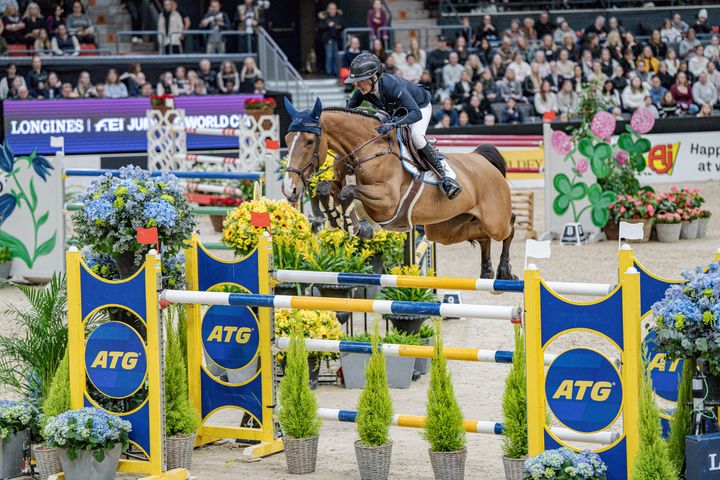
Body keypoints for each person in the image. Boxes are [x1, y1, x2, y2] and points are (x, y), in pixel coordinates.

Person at [345, 52, 462, 199]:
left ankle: (445, 178)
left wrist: (393, 125)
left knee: (416, 137)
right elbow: (348, 110)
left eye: (361, 81)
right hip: (395, 110)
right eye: (357, 82)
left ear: (374, 77)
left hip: (420, 107)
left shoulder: (393, 86)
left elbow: (416, 114)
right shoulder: (363, 90)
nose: (357, 85)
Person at [317, 2, 342, 77]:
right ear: (328, 9)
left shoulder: (338, 17)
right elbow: (320, 27)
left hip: (336, 39)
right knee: (329, 56)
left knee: (336, 56)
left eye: (334, 9)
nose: (332, 10)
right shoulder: (324, 18)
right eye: (331, 9)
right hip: (328, 39)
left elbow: (343, 25)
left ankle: (335, 71)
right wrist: (328, 25)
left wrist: (339, 27)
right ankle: (329, 72)